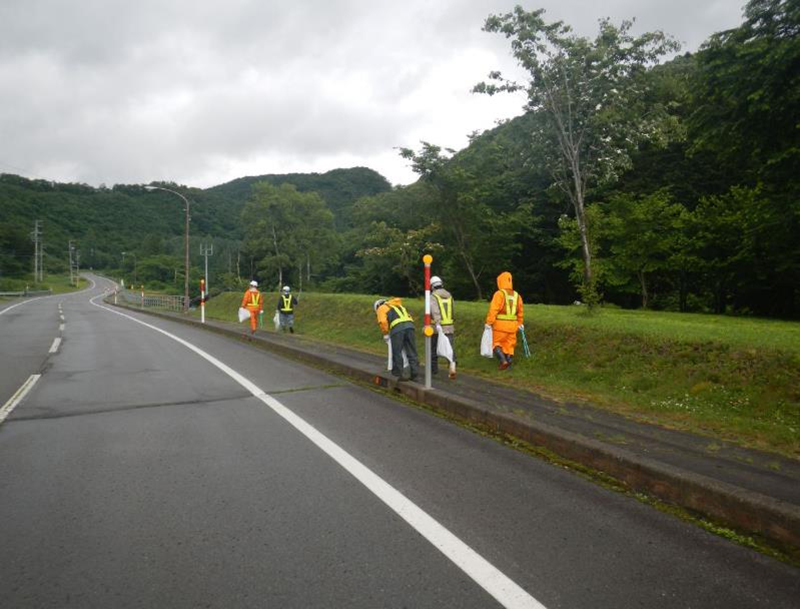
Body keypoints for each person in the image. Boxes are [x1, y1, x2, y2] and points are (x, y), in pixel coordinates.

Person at [374, 297, 419, 382]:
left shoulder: (381, 308)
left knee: (397, 351)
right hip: (410, 327)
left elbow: (383, 322)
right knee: (412, 351)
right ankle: (415, 374)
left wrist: (386, 333)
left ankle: (400, 374)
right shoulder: (398, 306)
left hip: (398, 330)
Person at [485, 271, 524, 370]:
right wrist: (520, 323)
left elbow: (493, 309)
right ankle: (508, 365)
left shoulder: (499, 294)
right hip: (513, 327)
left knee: (496, 344)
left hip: (500, 326)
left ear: (500, 281)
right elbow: (520, 312)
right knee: (509, 347)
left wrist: (489, 322)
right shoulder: (517, 295)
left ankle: (503, 361)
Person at [430, 275, 456, 379]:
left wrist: (437, 323)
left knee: (433, 349)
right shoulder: (449, 296)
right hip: (449, 326)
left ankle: (433, 371)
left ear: (432, 286)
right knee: (450, 348)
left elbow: (435, 311)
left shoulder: (433, 296)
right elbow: (453, 310)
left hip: (437, 328)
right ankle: (452, 367)